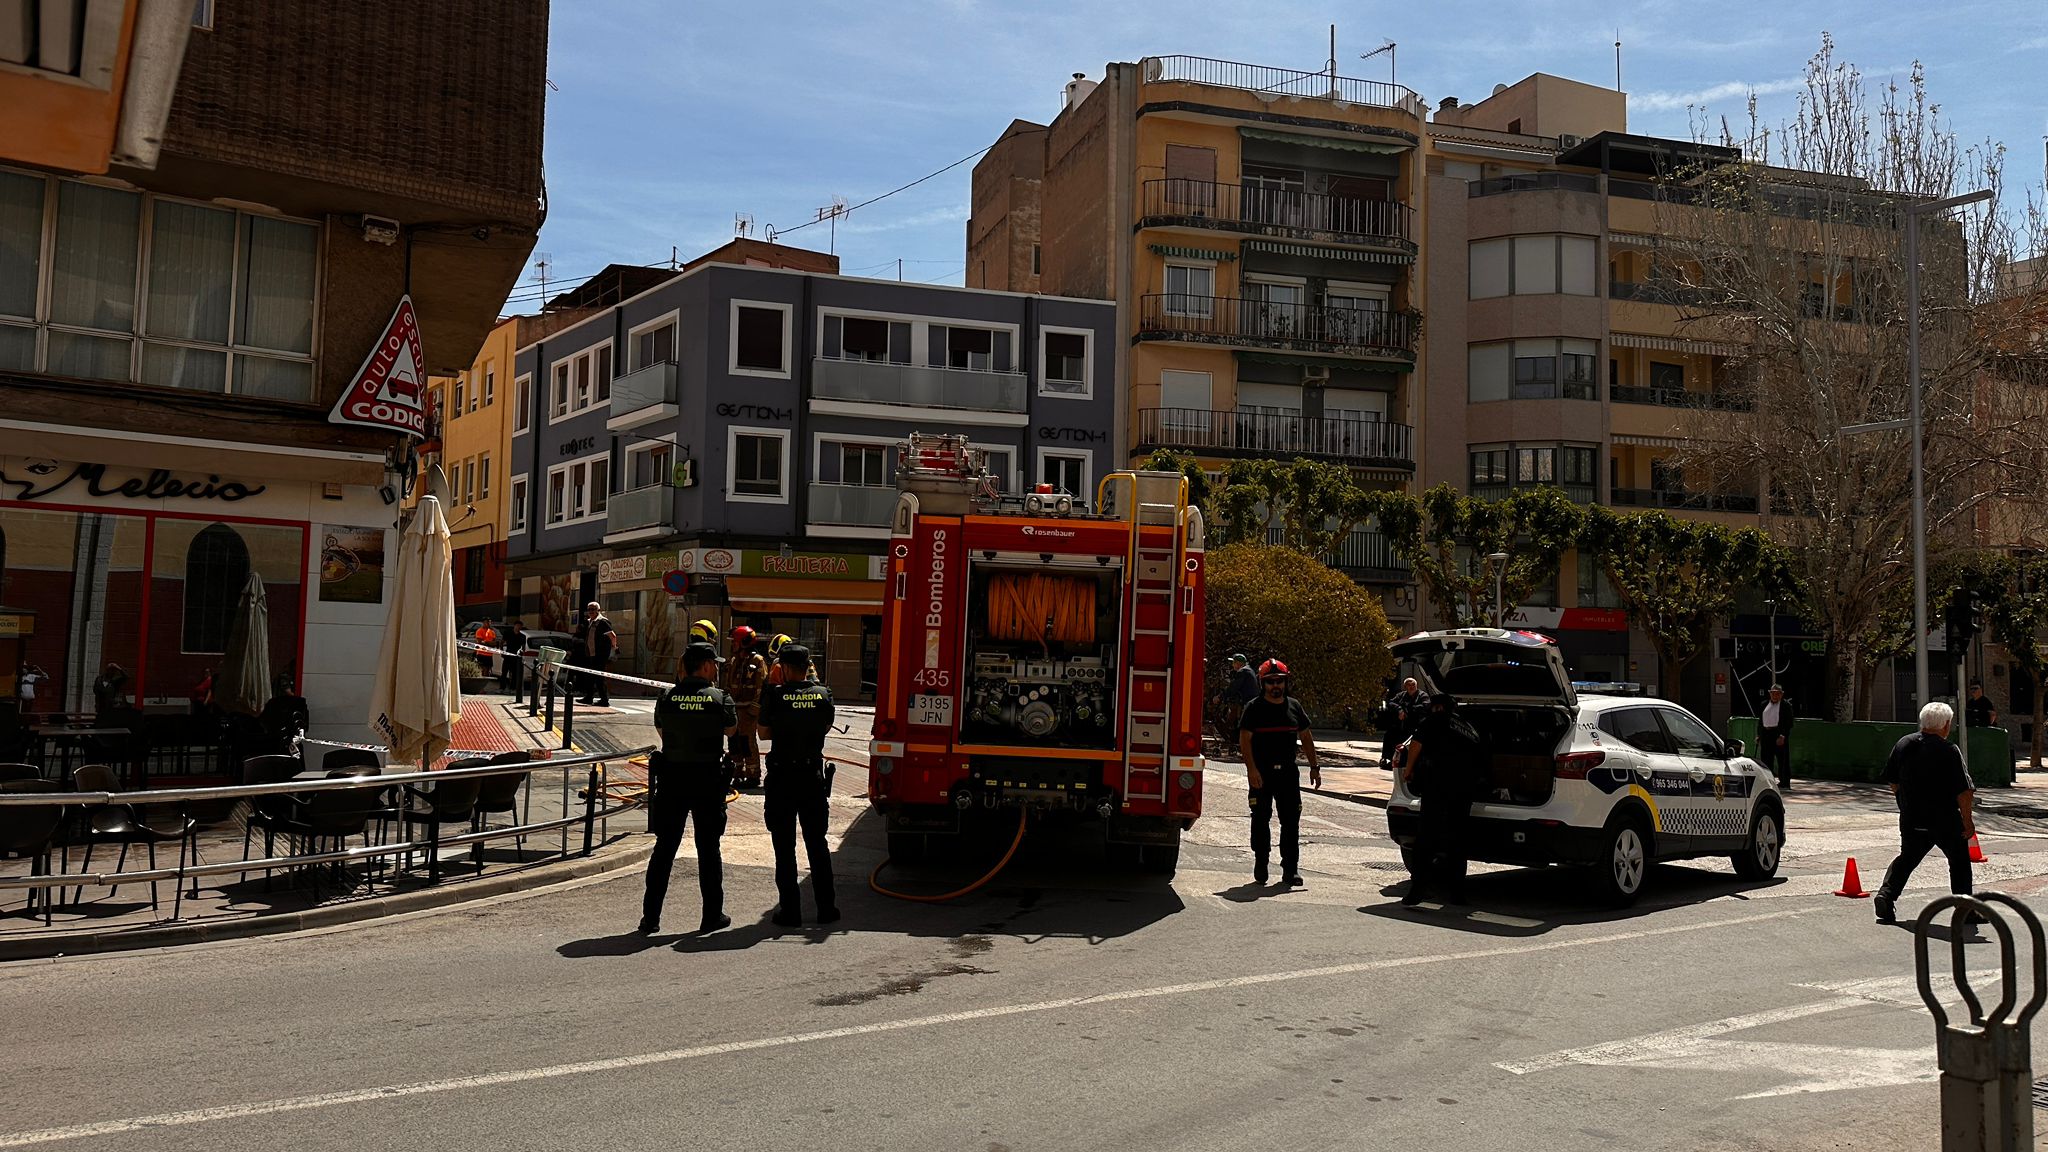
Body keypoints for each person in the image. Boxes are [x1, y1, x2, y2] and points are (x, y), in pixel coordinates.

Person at [640, 642, 738, 936]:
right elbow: (731, 730)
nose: (717, 668)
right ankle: (711, 916)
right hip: (708, 781)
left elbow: (662, 731)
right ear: (705, 666)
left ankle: (650, 918)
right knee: (708, 849)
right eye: (715, 664)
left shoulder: (667, 696)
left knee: (664, 849)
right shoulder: (720, 698)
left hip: (673, 779)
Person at [757, 643, 840, 927]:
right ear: (807, 667)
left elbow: (763, 733)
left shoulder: (775, 695)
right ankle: (826, 908)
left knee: (784, 847)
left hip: (782, 778)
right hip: (811, 778)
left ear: (784, 669)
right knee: (817, 844)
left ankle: (790, 911)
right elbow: (824, 727)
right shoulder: (823, 695)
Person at [1874, 701, 1978, 926]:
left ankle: (1886, 896)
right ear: (1946, 725)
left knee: (1907, 858)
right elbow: (1964, 791)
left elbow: (1892, 779)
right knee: (1959, 861)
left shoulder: (1904, 743)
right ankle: (1965, 910)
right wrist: (1968, 821)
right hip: (1944, 819)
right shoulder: (1950, 750)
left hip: (1912, 817)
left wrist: (1903, 800)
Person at [1237, 659, 1319, 887]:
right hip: (1261, 774)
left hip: (1288, 774)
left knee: (1291, 822)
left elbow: (1306, 737)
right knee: (1260, 820)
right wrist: (1251, 770)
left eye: (1280, 681)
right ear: (1262, 683)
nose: (1276, 685)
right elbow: (1245, 740)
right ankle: (1261, 863)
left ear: (1285, 682)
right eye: (1271, 681)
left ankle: (1290, 869)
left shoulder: (1294, 706)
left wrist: (1314, 767)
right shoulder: (1253, 708)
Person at [1401, 692, 1483, 906]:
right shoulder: (1469, 728)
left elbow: (1416, 744)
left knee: (1426, 838)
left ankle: (1418, 890)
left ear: (1437, 707)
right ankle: (1457, 894)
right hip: (1464, 789)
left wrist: (1408, 770)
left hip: (1437, 785)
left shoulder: (1434, 720)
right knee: (1457, 840)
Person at [722, 625, 769, 789]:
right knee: (733, 742)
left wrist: (754, 710)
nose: (732, 645)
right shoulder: (734, 660)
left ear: (744, 642)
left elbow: (762, 688)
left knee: (747, 743)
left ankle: (753, 775)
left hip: (748, 711)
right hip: (734, 709)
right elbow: (728, 685)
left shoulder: (758, 661)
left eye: (734, 642)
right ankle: (737, 772)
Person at [574, 601, 616, 707]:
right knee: (590, 676)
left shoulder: (602, 622)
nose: (591, 611)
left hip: (600, 655)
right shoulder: (590, 622)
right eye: (589, 609)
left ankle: (604, 700)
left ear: (598, 610)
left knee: (599, 677)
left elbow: (612, 636)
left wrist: (614, 648)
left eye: (593, 609)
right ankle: (589, 697)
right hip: (591, 654)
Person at [1381, 677, 1425, 770]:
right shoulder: (1401, 695)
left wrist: (1407, 710)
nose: (1411, 687)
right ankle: (1388, 759)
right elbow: (1391, 703)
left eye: (1413, 685)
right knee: (1389, 734)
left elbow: (1425, 706)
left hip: (1416, 725)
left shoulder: (1422, 695)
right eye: (1409, 685)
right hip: (1402, 725)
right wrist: (1400, 710)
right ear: (1405, 687)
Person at [1759, 683, 1795, 791]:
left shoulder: (1786, 705)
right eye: (1773, 693)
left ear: (1781, 694)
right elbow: (1760, 721)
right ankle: (1768, 781)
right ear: (1770, 694)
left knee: (1782, 760)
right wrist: (1759, 734)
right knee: (1766, 759)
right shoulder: (1764, 704)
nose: (1775, 696)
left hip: (1778, 734)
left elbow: (1789, 723)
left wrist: (1783, 736)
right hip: (1766, 734)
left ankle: (1784, 782)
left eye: (1777, 694)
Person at [1218, 653, 1258, 747]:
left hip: (1248, 702)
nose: (1232, 665)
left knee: (1239, 721)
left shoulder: (1243, 672)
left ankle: (1235, 741)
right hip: (1251, 701)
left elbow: (1233, 688)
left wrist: (1220, 697)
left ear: (1239, 663)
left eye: (1234, 662)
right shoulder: (1249, 670)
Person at [500, 619, 529, 696]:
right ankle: (502, 688)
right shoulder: (508, 633)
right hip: (507, 655)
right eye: (517, 626)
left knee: (514, 674)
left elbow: (523, 647)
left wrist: (521, 653)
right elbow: (502, 642)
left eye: (520, 626)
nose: (518, 627)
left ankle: (512, 688)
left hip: (516, 657)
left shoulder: (522, 636)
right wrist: (502, 651)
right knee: (504, 672)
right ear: (514, 626)